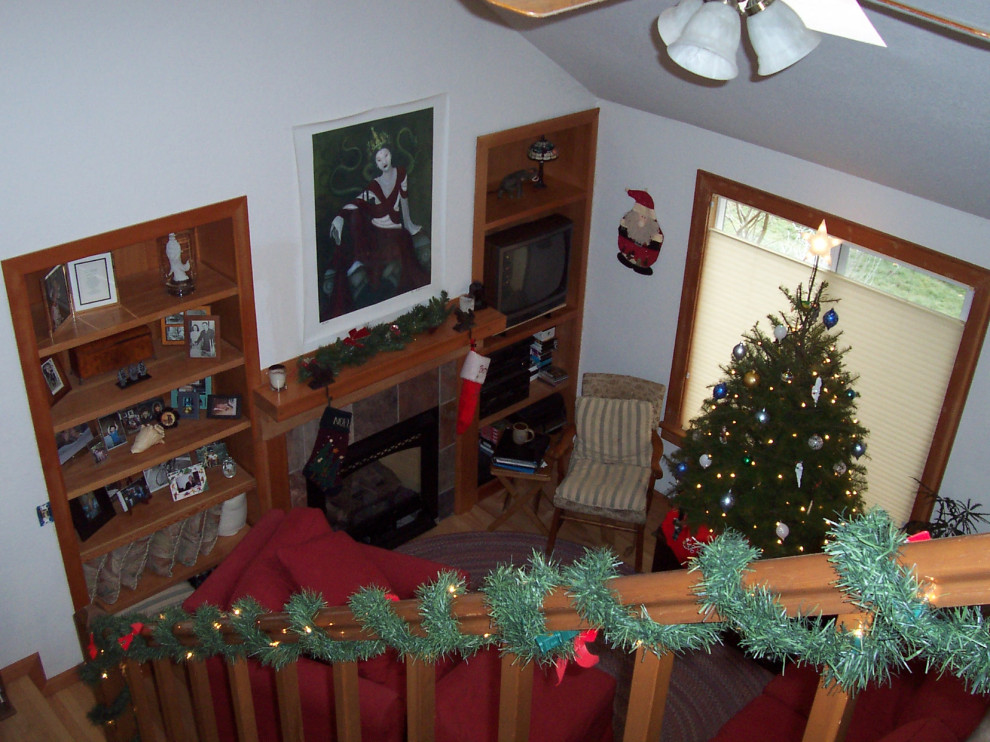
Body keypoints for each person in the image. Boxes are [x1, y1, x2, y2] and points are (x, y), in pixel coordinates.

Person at [323, 128, 429, 316]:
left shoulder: (401, 174)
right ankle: (359, 272)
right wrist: (339, 217)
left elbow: (404, 200)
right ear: (375, 162)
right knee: (356, 216)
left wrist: (410, 224)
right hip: (376, 231)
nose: (384, 162)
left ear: (391, 154)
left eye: (386, 156)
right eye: (379, 159)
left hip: (395, 231)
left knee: (403, 247)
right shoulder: (374, 185)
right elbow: (355, 203)